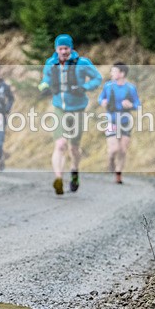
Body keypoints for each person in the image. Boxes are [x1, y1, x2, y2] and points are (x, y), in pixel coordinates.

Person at [37, 34, 102, 195]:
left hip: (78, 108)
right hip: (60, 108)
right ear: (56, 49)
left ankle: (74, 170)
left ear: (71, 48)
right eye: (61, 48)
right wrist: (44, 85)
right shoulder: (51, 63)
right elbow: (46, 78)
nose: (64, 51)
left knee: (73, 148)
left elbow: (97, 78)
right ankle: (58, 179)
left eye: (66, 48)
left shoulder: (82, 63)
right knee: (60, 144)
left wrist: (85, 87)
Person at [99, 62, 140, 184]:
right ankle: (111, 160)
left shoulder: (131, 88)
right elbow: (101, 98)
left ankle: (118, 174)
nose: (111, 73)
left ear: (122, 74)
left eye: (114, 71)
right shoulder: (108, 86)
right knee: (113, 149)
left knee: (123, 150)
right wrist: (103, 101)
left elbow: (138, 105)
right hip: (111, 120)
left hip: (125, 121)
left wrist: (131, 105)